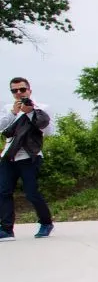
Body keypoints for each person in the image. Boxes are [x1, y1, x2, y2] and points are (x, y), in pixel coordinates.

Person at [0, 77, 56, 240]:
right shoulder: (8, 108)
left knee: (31, 192)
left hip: (30, 157)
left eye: (22, 89)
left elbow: (49, 131)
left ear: (29, 90)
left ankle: (46, 223)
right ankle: (6, 229)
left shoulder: (41, 108)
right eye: (14, 90)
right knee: (3, 192)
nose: (19, 93)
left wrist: (30, 112)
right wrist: (13, 113)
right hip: (9, 157)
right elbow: (2, 128)